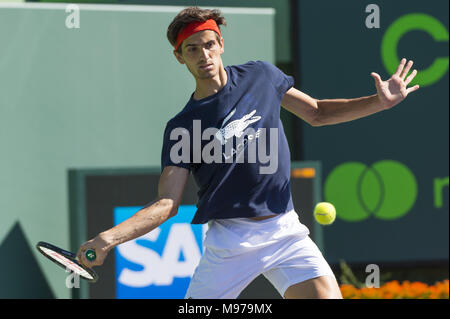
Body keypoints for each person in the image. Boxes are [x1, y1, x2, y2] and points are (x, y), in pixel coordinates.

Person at [77, 7, 419, 299]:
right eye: (192, 49)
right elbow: (166, 203)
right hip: (230, 243)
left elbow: (317, 112)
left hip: (284, 230)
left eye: (209, 45)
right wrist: (108, 238)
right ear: (179, 57)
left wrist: (379, 102)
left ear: (221, 44)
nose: (204, 56)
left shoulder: (261, 76)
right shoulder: (182, 127)